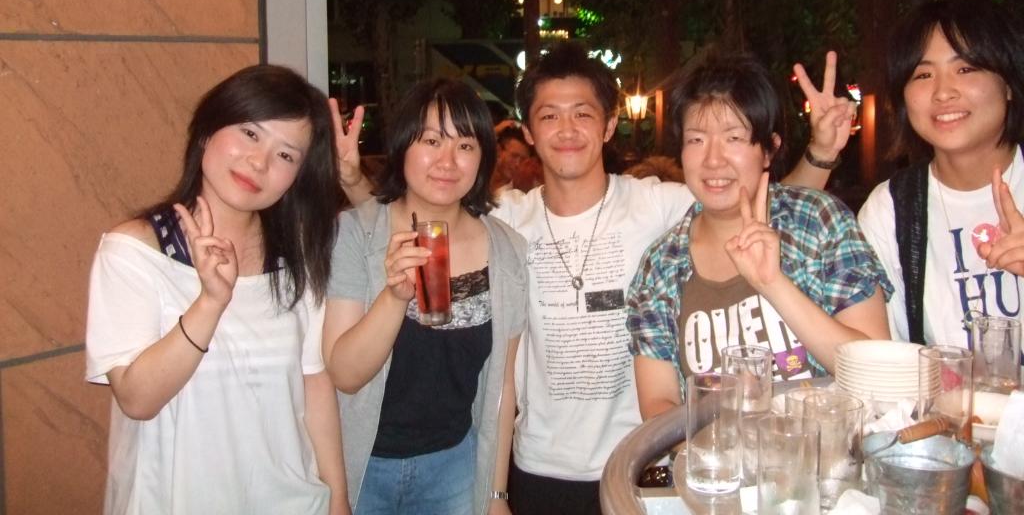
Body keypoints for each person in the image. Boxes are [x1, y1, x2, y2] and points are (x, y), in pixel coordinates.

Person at [334, 42, 855, 515]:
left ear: (608, 126)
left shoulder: (656, 204)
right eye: (549, 116)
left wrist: (821, 154)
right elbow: (422, 207)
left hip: (636, 460)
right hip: (537, 466)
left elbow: (753, 206)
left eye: (583, 113)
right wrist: (355, 182)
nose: (567, 130)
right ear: (529, 131)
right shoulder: (505, 221)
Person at [85, 65, 348, 515]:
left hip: (293, 502)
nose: (259, 162)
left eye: (286, 155)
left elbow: (313, 381)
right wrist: (210, 302)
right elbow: (136, 399)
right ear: (208, 130)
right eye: (250, 133)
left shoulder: (295, 256)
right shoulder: (135, 251)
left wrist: (338, 499)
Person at [626, 54, 892, 418]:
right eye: (696, 139)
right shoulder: (661, 264)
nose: (713, 160)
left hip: (826, 450)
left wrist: (773, 284)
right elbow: (659, 404)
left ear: (769, 149)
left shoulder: (817, 222)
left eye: (734, 138)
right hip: (717, 454)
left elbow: (877, 374)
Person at [323, 78, 527, 515]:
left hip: (453, 467)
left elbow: (503, 386)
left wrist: (496, 494)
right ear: (403, 146)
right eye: (432, 141)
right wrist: (395, 297)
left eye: (465, 145)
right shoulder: (356, 234)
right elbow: (344, 374)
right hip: (362, 466)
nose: (447, 161)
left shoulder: (507, 250)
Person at [859, 0, 1024, 350]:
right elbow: (886, 356)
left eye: (965, 69)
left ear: (1009, 83)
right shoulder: (890, 211)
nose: (943, 92)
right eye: (923, 74)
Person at [490, 123, 531, 195]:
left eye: (523, 160)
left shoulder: (515, 197)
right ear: (499, 151)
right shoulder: (477, 173)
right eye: (514, 156)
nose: (517, 164)